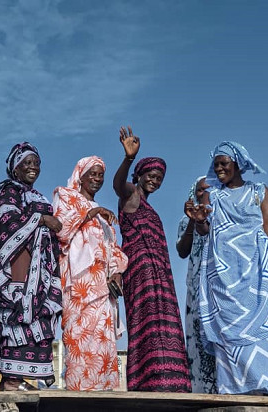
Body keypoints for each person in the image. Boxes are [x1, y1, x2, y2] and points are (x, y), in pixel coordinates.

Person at [194, 141, 268, 395]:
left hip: (256, 267)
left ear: (238, 164)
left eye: (224, 164)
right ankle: (237, 389)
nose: (219, 169)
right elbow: (204, 228)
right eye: (216, 164)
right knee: (228, 329)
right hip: (222, 272)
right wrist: (198, 221)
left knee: (263, 323)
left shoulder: (259, 191)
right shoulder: (213, 195)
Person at [112, 126, 191, 392]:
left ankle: (169, 381)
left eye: (159, 179)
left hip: (161, 275)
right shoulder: (131, 194)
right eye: (152, 176)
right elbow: (117, 185)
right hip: (140, 272)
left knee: (164, 323)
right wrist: (128, 158)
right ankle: (149, 381)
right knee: (147, 324)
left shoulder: (151, 207)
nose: (155, 182)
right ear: (140, 175)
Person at [0, 142, 63, 391]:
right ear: (15, 168)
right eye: (27, 163)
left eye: (36, 163)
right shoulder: (8, 190)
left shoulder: (38, 195)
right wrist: (42, 219)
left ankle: (25, 378)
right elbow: (6, 223)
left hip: (41, 268)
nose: (33, 167)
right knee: (18, 315)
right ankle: (10, 381)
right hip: (20, 264)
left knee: (39, 319)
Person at [53, 156, 128, 391]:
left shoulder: (105, 219)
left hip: (103, 290)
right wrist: (92, 211)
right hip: (79, 287)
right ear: (80, 175)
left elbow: (113, 250)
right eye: (92, 174)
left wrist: (117, 273)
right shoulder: (66, 196)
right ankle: (77, 395)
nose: (96, 179)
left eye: (100, 175)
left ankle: (102, 396)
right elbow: (61, 230)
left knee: (102, 343)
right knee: (79, 338)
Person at [176, 177, 217, 393]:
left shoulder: (222, 217)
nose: (205, 195)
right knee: (198, 339)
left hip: (219, 288)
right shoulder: (186, 221)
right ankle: (201, 391)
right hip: (196, 289)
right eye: (200, 191)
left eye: (210, 190)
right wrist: (193, 220)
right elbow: (182, 251)